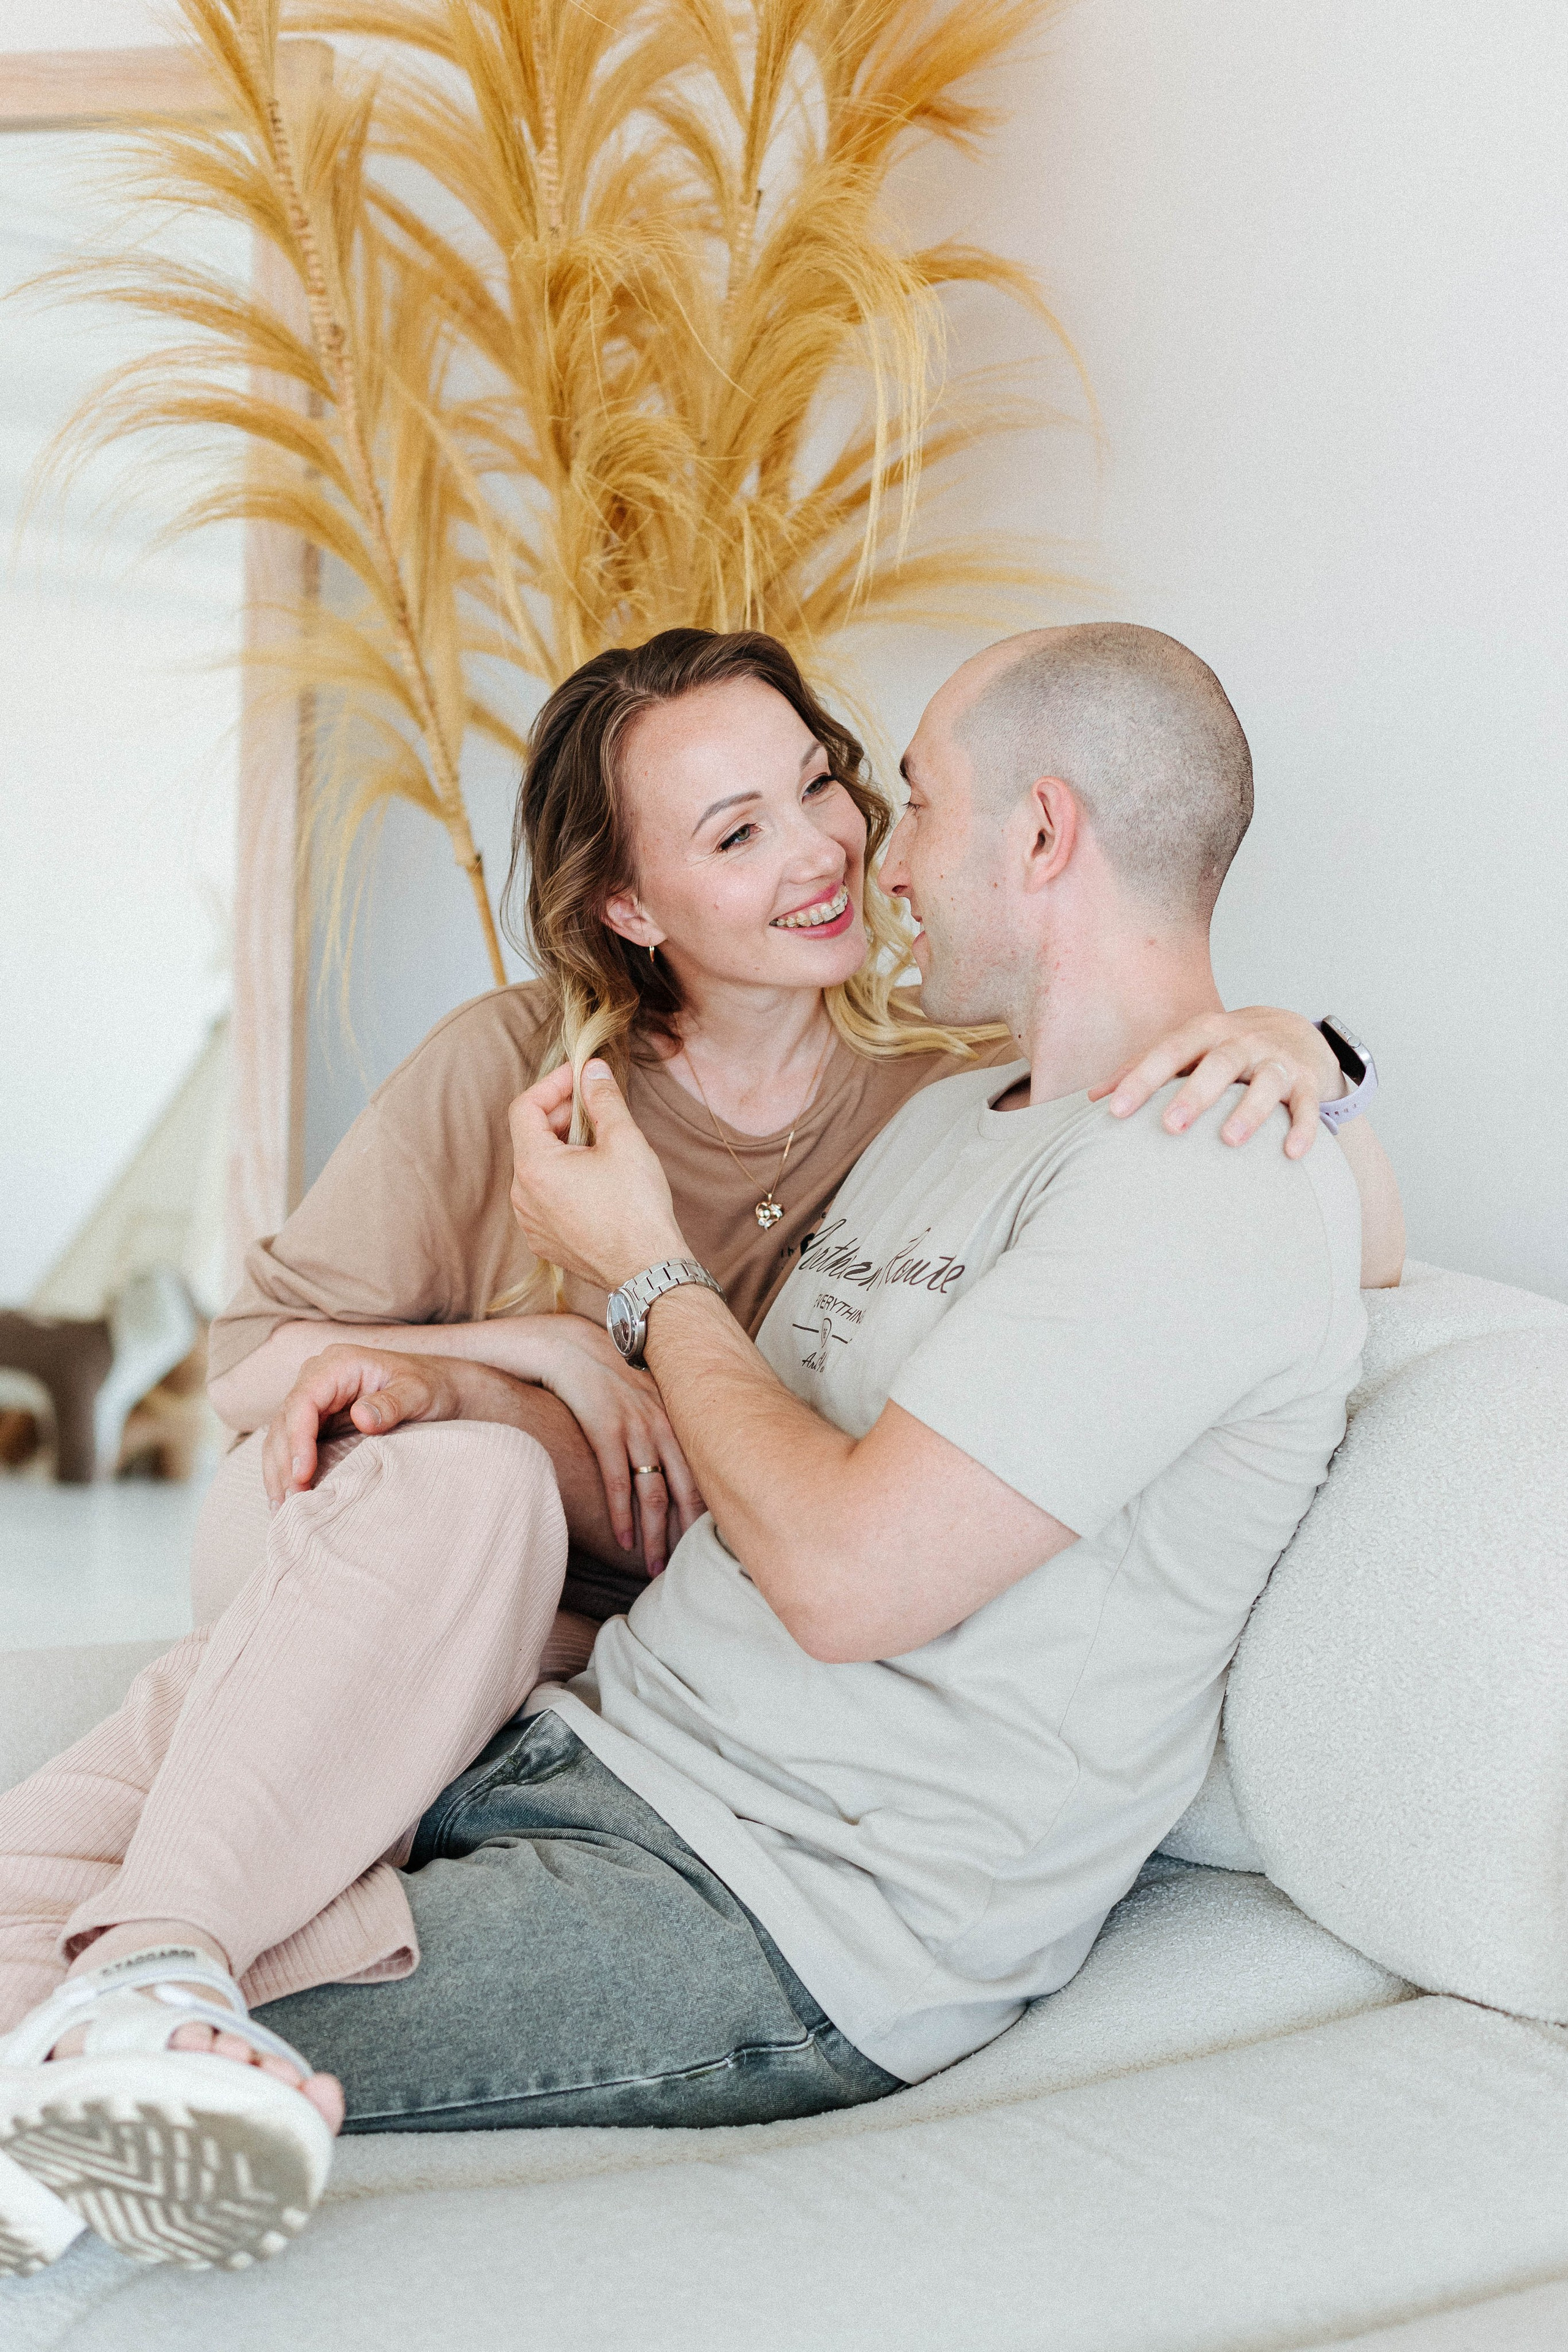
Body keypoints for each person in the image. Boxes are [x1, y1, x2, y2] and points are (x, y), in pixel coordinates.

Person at [0, 625, 1396, 2277]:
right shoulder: (957, 1118)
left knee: (85, 1983)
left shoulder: (1187, 1175)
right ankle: (138, 1985)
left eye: (893, 799)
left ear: (1039, 836)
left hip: (774, 1910)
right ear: (634, 905)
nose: (863, 858)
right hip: (602, 1736)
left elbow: (853, 1567)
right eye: (754, 827)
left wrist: (1309, 1068)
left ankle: (115, 2031)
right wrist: (517, 1370)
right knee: (151, 1831)